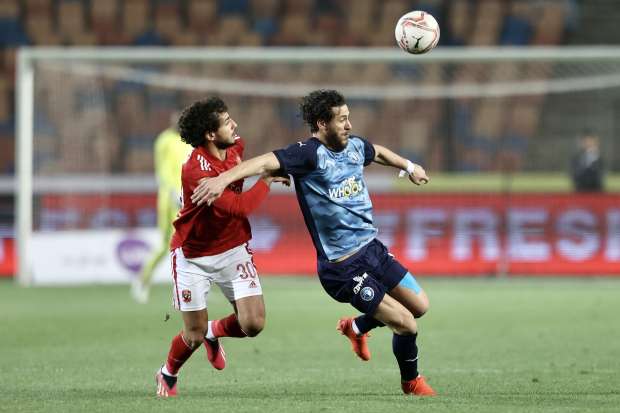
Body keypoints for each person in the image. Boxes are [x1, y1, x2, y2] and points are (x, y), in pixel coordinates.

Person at [191, 90, 437, 396]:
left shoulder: (354, 146)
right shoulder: (308, 155)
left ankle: (356, 327)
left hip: (373, 250)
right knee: (406, 324)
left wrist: (409, 167)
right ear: (322, 123)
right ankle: (411, 383)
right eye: (342, 120)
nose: (349, 125)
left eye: (348, 118)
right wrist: (222, 179)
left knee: (420, 306)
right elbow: (264, 162)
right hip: (343, 268)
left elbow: (378, 152)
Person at [155, 97, 289, 397]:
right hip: (194, 255)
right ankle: (168, 372)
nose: (235, 125)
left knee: (253, 323)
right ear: (210, 134)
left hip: (233, 248)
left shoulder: (235, 147)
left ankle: (214, 332)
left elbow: (245, 167)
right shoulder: (195, 171)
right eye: (228, 122)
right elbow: (239, 207)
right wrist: (266, 180)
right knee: (193, 334)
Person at [131, 114, 191, 304]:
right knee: (168, 244)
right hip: (169, 199)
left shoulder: (190, 141)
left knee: (186, 242)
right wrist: (173, 192)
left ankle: (191, 287)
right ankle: (143, 279)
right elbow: (162, 171)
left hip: (185, 199)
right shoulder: (164, 140)